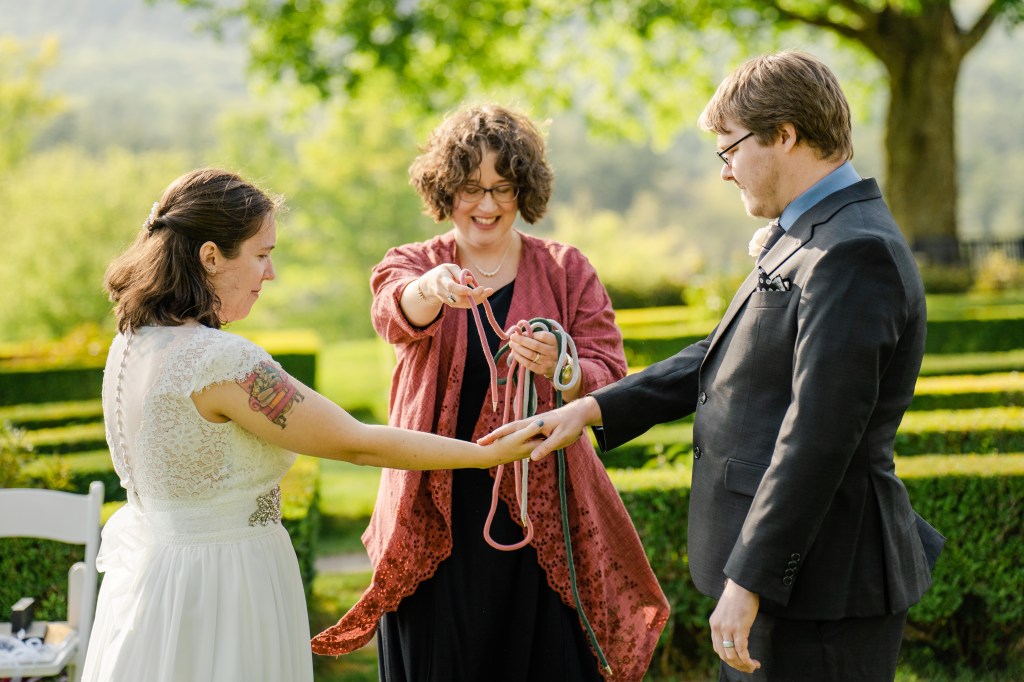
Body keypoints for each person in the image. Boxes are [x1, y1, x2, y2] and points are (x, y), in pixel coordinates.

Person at [484, 52, 944, 681]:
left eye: (729, 149)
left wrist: (750, 580)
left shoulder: (853, 249)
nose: (725, 172)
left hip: (818, 587)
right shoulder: (809, 231)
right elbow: (722, 354)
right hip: (790, 580)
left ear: (784, 134)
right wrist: (591, 407)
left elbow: (818, 437)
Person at [81, 168, 546, 682]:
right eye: (261, 254)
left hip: (158, 583)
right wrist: (487, 454)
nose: (271, 273)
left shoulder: (131, 344)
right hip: (224, 587)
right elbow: (357, 443)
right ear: (210, 257)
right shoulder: (221, 362)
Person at [311, 104, 668, 680]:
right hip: (436, 503)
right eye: (471, 188)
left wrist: (564, 367)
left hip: (540, 506)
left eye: (503, 188)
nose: (487, 205)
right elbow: (392, 313)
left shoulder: (566, 269)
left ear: (524, 189)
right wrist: (431, 289)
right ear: (444, 190)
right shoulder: (412, 263)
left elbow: (610, 373)